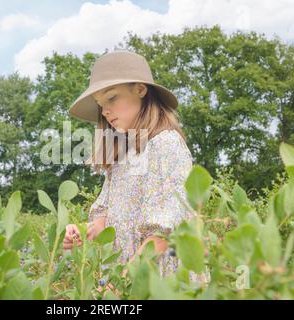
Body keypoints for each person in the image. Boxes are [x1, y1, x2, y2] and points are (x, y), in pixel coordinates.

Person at [63, 50, 195, 278]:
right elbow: (108, 220)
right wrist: (83, 232)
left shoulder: (166, 144)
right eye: (100, 103)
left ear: (141, 90)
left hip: (160, 283)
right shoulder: (123, 158)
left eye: (112, 97)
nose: (104, 110)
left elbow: (162, 237)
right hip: (126, 281)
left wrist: (122, 284)